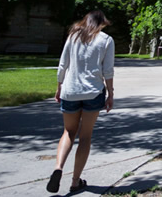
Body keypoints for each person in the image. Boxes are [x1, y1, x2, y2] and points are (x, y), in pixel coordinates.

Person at [47, 10, 114, 194]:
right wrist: (111, 94)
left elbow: (63, 64)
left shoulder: (73, 36)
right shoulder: (106, 40)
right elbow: (108, 70)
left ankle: (58, 167)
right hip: (93, 93)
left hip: (70, 91)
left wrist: (59, 86)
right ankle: (75, 181)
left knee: (68, 132)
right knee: (85, 136)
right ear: (101, 23)